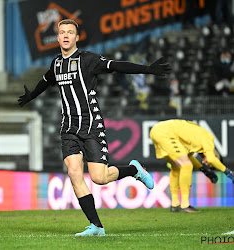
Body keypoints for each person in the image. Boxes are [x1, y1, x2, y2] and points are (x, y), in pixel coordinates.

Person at [18, 19, 171, 236]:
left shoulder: (88, 59)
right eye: (62, 32)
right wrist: (32, 95)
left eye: (70, 32)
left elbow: (116, 65)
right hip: (68, 127)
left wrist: (147, 69)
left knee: (99, 177)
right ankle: (96, 226)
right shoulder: (56, 63)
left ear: (77, 37)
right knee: (74, 173)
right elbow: (46, 80)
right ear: (58, 37)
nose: (65, 36)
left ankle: (134, 170)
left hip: (91, 125)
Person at [150, 119, 234, 213]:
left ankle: (175, 205)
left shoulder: (195, 141)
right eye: (210, 165)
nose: (206, 163)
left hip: (156, 130)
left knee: (177, 166)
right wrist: (228, 172)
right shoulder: (208, 139)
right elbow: (211, 159)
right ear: (216, 155)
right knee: (186, 165)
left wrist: (204, 170)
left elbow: (189, 157)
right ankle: (185, 205)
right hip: (166, 132)